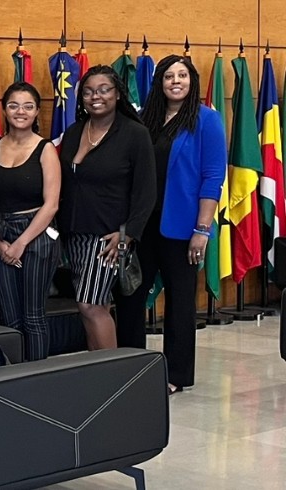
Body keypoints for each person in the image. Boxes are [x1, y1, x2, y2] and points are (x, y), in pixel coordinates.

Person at [123, 55, 226, 394]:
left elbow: (213, 177)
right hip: (143, 224)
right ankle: (133, 367)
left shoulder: (206, 120)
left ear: (192, 80)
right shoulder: (143, 120)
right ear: (160, 82)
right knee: (130, 296)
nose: (176, 81)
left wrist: (202, 229)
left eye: (182, 75)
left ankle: (176, 375)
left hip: (182, 228)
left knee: (180, 302)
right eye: (169, 76)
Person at [57, 65, 156, 351]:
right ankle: (95, 369)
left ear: (117, 94)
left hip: (108, 237)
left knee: (91, 305)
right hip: (75, 233)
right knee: (89, 305)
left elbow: (146, 191)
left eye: (103, 90)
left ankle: (112, 376)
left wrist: (128, 234)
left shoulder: (134, 134)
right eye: (88, 91)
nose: (95, 96)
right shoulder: (75, 132)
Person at [0, 82, 62, 361]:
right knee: (9, 319)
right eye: (13, 105)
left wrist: (21, 244)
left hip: (36, 237)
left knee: (33, 317)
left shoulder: (45, 149)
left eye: (28, 106)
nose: (20, 111)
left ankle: (37, 382)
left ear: (37, 112)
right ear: (4, 109)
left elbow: (51, 205)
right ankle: (13, 381)